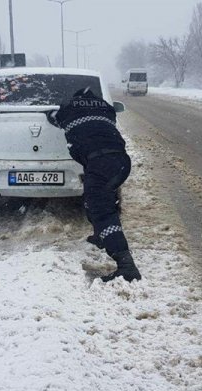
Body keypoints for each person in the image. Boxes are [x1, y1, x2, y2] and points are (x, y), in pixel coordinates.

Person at [51, 88, 142, 283]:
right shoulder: (105, 107)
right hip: (121, 161)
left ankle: (126, 266)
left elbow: (55, 119)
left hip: (101, 162)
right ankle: (101, 236)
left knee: (101, 209)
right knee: (99, 199)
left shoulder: (68, 108)